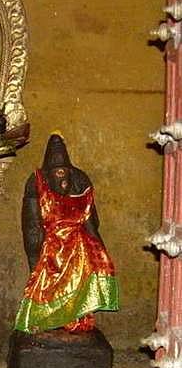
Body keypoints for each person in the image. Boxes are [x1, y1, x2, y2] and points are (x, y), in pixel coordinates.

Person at [15, 133, 119, 333]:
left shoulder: (80, 180)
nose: (62, 180)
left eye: (64, 174)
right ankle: (48, 317)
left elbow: (91, 222)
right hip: (50, 243)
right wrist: (36, 259)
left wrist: (101, 253)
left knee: (78, 278)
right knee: (47, 281)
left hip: (76, 246)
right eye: (57, 174)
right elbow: (32, 227)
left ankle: (74, 315)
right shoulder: (36, 182)